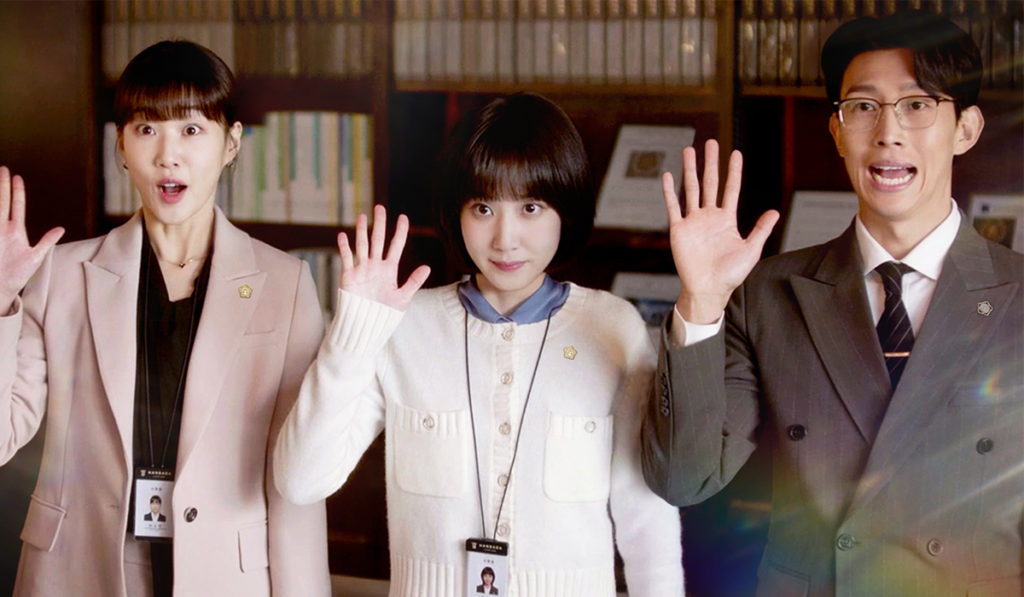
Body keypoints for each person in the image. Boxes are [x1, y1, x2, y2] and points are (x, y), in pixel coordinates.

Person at [641, 10, 1022, 597]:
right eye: (863, 106)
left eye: (916, 105)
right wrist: (702, 302)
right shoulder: (769, 293)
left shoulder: (1017, 294)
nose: (887, 132)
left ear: (965, 129)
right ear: (838, 131)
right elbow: (683, 480)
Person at [274, 93, 684, 595]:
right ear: (457, 212)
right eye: (484, 208)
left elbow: (647, 523)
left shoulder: (614, 327)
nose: (505, 239)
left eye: (530, 208)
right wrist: (352, 337)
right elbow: (300, 481)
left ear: (566, 209)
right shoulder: (405, 328)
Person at [0, 41, 330, 597]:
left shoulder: (287, 283)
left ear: (231, 143)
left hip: (223, 577)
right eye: (147, 129)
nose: (167, 155)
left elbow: (294, 483)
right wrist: (1, 299)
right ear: (121, 145)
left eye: (191, 130)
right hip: (80, 569)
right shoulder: (61, 273)